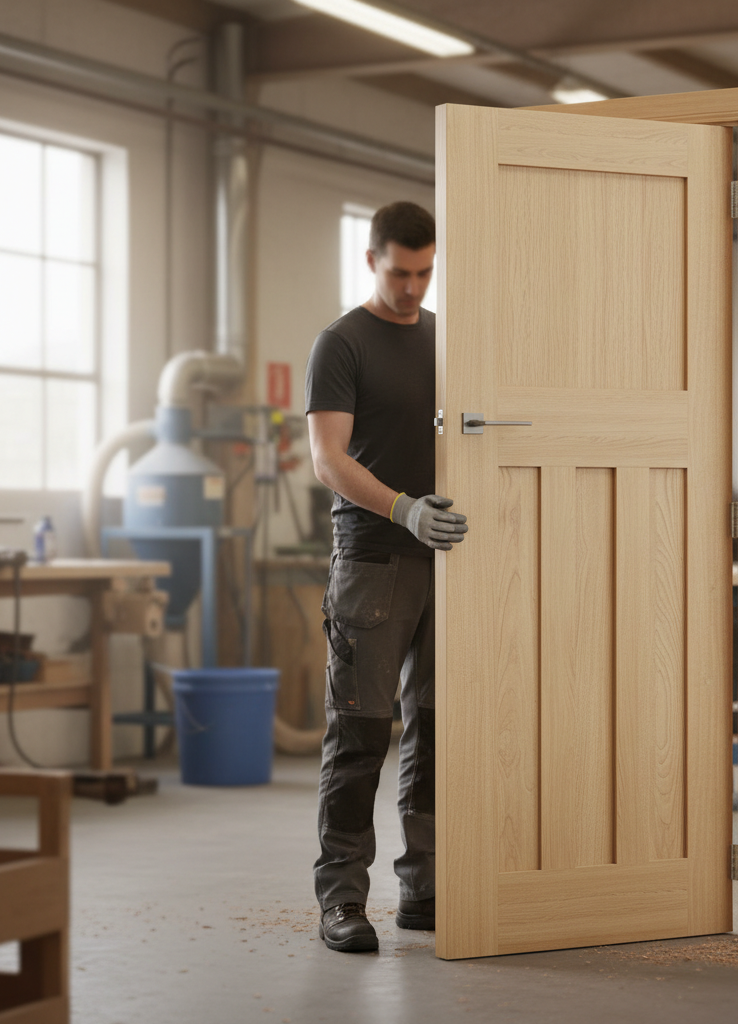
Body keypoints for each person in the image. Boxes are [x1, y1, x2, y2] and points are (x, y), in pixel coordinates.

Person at [305, 201, 468, 953]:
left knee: (436, 729)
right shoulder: (343, 343)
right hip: (374, 557)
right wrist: (404, 509)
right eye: (400, 272)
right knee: (362, 729)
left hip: (450, 560)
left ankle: (423, 885)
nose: (412, 288)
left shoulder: (447, 336)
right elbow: (329, 458)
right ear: (372, 260)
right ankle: (341, 897)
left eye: (425, 272)